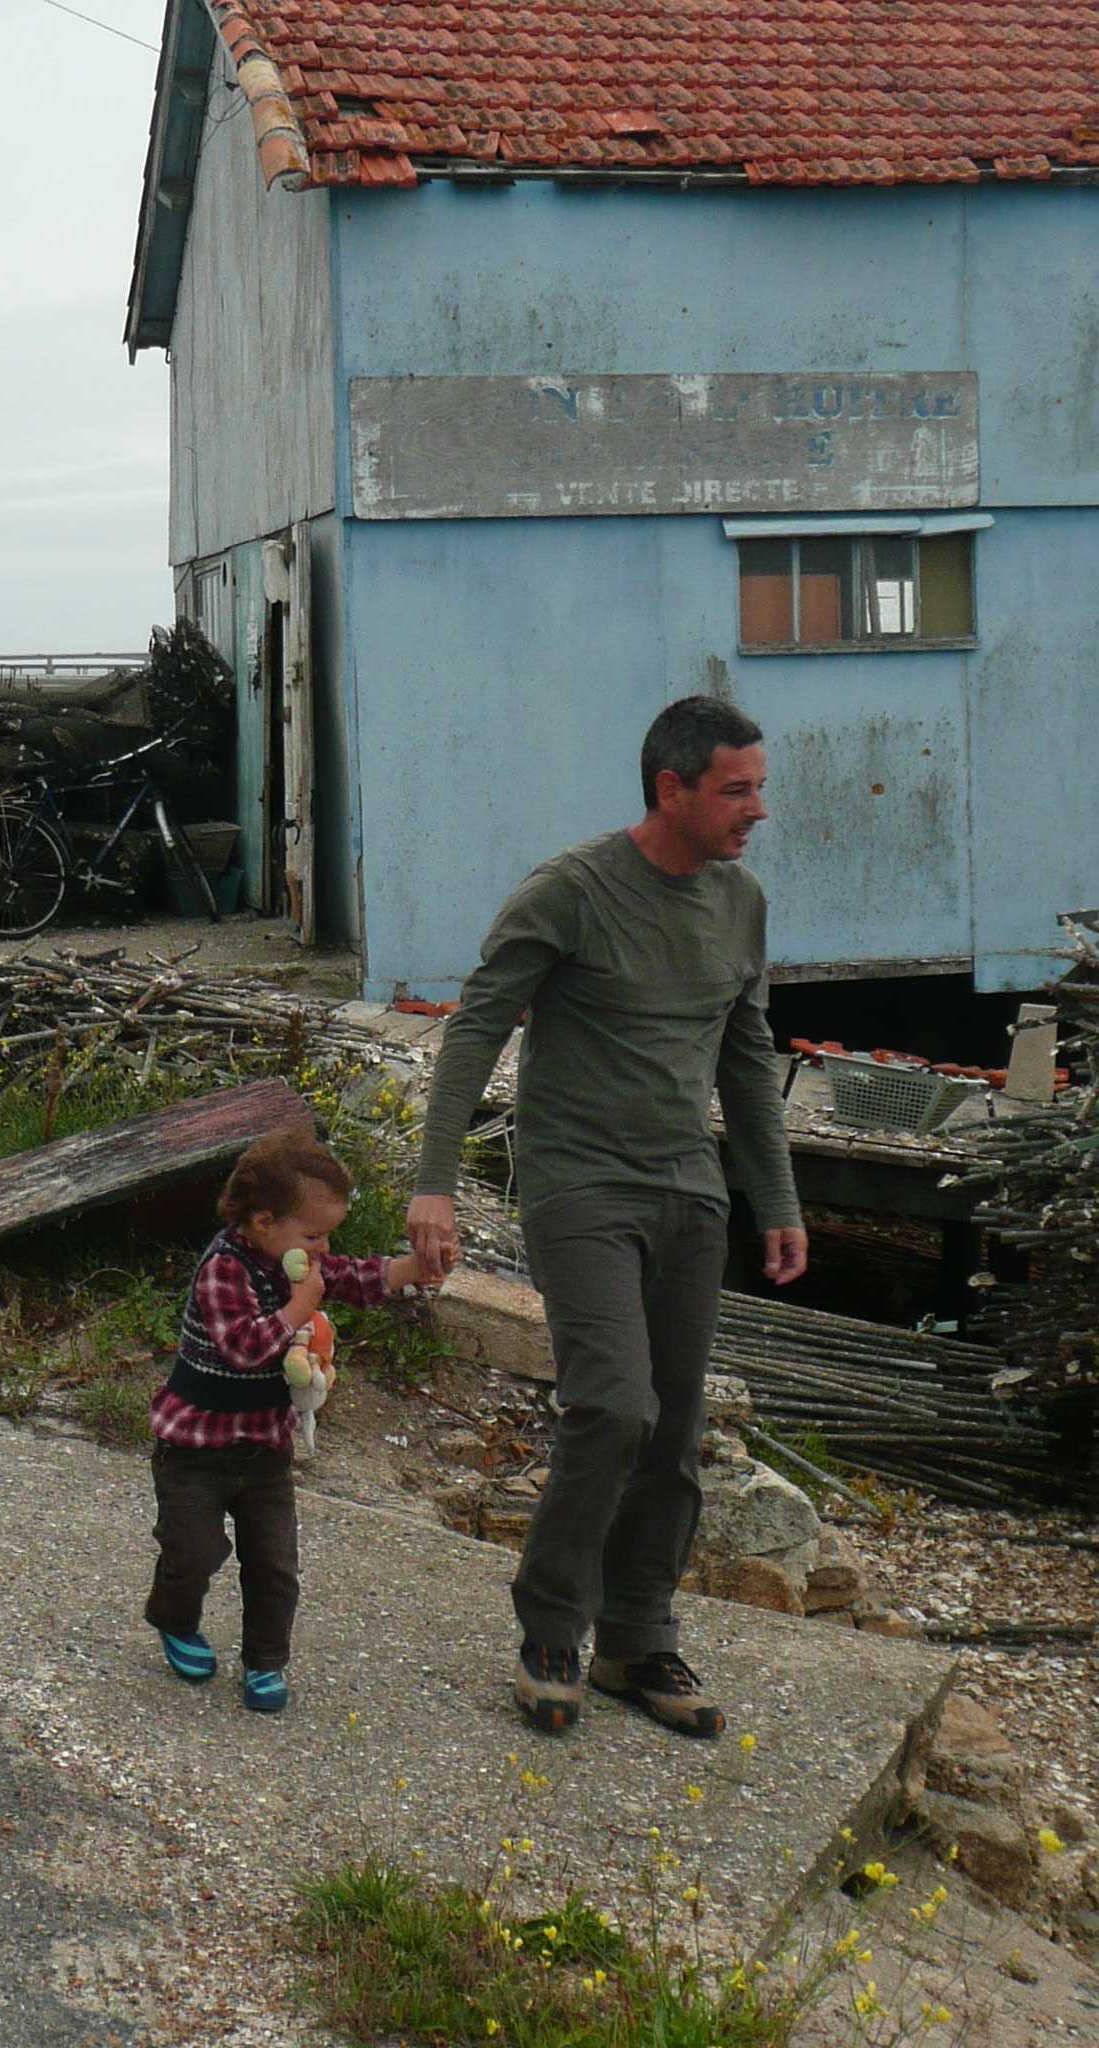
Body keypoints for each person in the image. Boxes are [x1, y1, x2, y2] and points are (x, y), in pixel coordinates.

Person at [406, 695, 807, 1740]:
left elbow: (748, 1059)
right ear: (671, 788)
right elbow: (476, 1027)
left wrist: (777, 1199)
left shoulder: (742, 903)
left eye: (760, 788)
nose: (757, 810)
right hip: (580, 1186)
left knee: (673, 1427)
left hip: (690, 1194)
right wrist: (433, 1180)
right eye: (737, 789)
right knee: (615, 1405)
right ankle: (551, 1627)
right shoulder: (571, 891)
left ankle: (637, 1636)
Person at [145, 1130, 428, 1714]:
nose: (324, 1249)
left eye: (328, 1236)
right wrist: (301, 1308)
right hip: (195, 1447)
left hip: (264, 1448)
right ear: (264, 1222)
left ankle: (265, 1660)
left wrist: (414, 1268)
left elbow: (351, 1277)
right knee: (193, 1551)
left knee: (275, 1564)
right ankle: (175, 1618)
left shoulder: (294, 1261)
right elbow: (243, 1348)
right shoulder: (224, 1269)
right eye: (314, 1236)